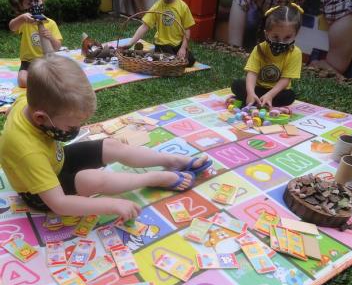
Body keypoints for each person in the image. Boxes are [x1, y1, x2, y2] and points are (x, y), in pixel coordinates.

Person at [0, 55, 212, 221]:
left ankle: (172, 160)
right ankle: (153, 178)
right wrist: (111, 205)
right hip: (38, 194)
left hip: (54, 160)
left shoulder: (26, 102)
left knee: (111, 145)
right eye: (71, 126)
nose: (77, 129)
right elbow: (59, 204)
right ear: (40, 117)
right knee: (90, 179)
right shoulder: (28, 151)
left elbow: (14, 114)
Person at [231, 3, 303, 108]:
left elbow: (285, 80)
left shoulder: (295, 53)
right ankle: (256, 99)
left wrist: (270, 95)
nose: (281, 42)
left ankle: (259, 101)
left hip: (276, 92)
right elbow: (252, 73)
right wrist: (251, 93)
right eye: (275, 37)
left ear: (295, 35)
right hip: (258, 87)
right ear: (266, 34)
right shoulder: (259, 48)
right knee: (237, 84)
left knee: (289, 96)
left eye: (287, 37)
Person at [126, 0, 196, 66]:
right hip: (162, 44)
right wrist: (131, 42)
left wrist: (183, 48)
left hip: (178, 44)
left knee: (190, 60)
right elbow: (145, 26)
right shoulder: (157, 7)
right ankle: (160, 56)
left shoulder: (183, 7)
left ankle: (167, 58)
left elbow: (187, 29)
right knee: (171, 60)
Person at [8, 0, 62, 88]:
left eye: (37, 0)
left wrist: (51, 37)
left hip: (45, 62)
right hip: (28, 63)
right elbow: (12, 27)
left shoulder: (51, 23)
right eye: (29, 3)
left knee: (58, 77)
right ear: (22, 5)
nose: (34, 5)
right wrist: (22, 18)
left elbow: (57, 47)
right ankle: (41, 85)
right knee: (22, 81)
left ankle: (42, 82)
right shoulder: (24, 22)